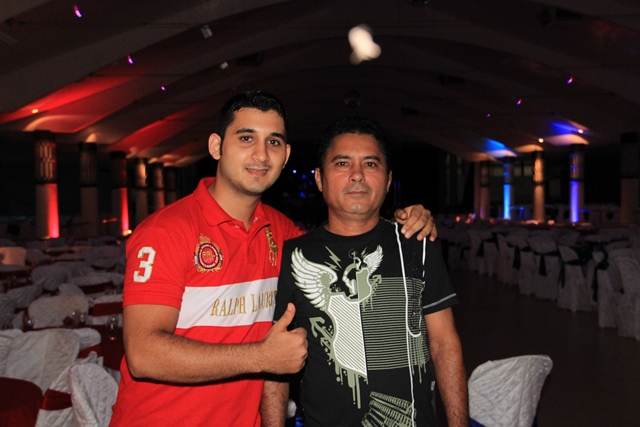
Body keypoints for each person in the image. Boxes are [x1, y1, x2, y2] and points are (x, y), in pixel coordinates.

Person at [110, 90, 438, 426]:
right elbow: (143, 354)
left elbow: (347, 234)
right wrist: (261, 357)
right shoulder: (166, 231)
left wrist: (409, 219)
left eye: (274, 142)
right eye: (246, 138)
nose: (261, 154)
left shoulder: (282, 234)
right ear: (216, 146)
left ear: (286, 155)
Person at [273, 116, 469, 426]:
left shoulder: (417, 244)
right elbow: (275, 362)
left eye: (370, 164)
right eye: (342, 163)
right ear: (320, 179)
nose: (357, 175)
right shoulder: (292, 256)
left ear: (388, 180)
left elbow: (444, 344)